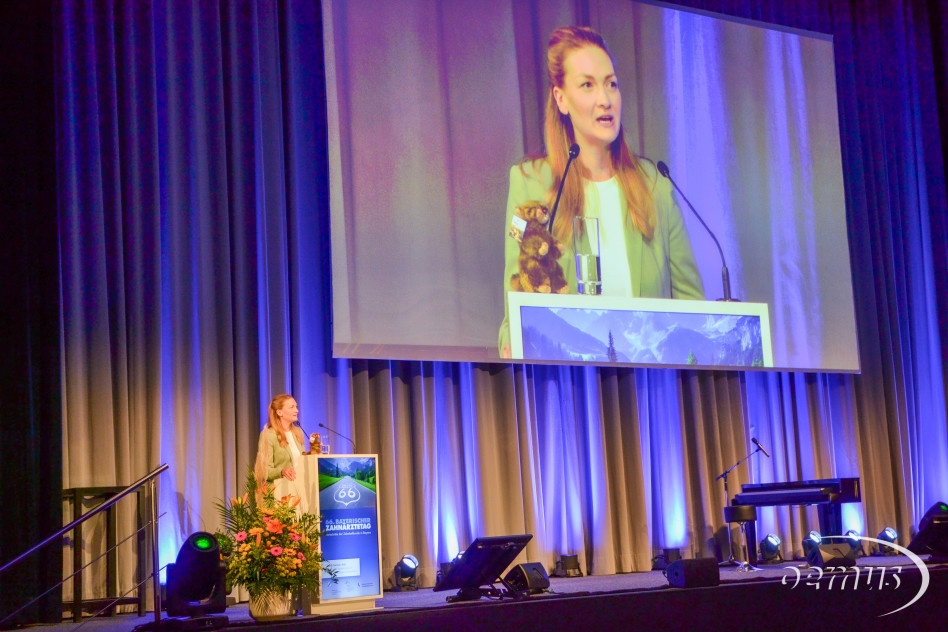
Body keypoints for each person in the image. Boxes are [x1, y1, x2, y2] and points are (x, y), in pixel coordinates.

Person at [498, 26, 705, 358]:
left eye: (611, 84)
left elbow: (692, 307)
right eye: (587, 85)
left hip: (650, 387)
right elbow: (517, 292)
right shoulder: (530, 183)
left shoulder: (655, 186)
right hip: (567, 387)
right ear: (561, 99)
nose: (605, 99)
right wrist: (512, 342)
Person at [253, 394, 306, 504]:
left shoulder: (298, 433)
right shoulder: (268, 435)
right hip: (279, 494)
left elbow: (303, 461)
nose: (296, 410)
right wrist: (282, 471)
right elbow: (265, 471)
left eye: (296, 407)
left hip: (299, 492)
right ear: (279, 412)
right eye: (291, 407)